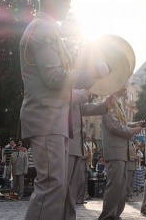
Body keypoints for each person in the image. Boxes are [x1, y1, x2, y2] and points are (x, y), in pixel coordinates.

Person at [19, 0, 110, 220]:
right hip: (46, 117)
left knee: (56, 187)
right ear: (50, 0)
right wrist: (92, 72)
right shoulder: (43, 30)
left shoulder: (48, 30)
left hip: (53, 117)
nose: (69, 6)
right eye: (65, 1)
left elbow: (57, 84)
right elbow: (54, 78)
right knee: (51, 186)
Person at [64, 89, 111, 220]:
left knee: (71, 190)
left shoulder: (75, 94)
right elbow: (68, 97)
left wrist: (104, 105)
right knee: (61, 188)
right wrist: (87, 91)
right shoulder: (68, 88)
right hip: (64, 143)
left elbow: (84, 108)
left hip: (74, 147)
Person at [98, 87, 142, 220]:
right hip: (115, 150)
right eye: (123, 84)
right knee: (115, 185)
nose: (125, 88)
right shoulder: (110, 102)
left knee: (121, 185)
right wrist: (132, 131)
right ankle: (108, 216)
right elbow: (114, 126)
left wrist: (136, 124)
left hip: (122, 150)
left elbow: (123, 123)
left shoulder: (118, 103)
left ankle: (115, 214)